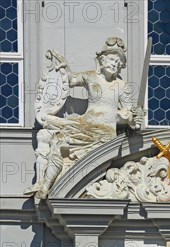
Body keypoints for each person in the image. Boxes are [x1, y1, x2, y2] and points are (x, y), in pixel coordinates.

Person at [25, 37, 144, 199]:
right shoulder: (90, 77)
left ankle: (46, 185)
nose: (114, 63)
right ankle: (44, 185)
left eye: (118, 61)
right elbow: (69, 80)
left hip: (105, 133)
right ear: (102, 60)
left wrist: (132, 120)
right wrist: (62, 66)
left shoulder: (122, 87)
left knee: (56, 140)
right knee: (53, 139)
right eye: (111, 59)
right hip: (84, 124)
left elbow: (129, 116)